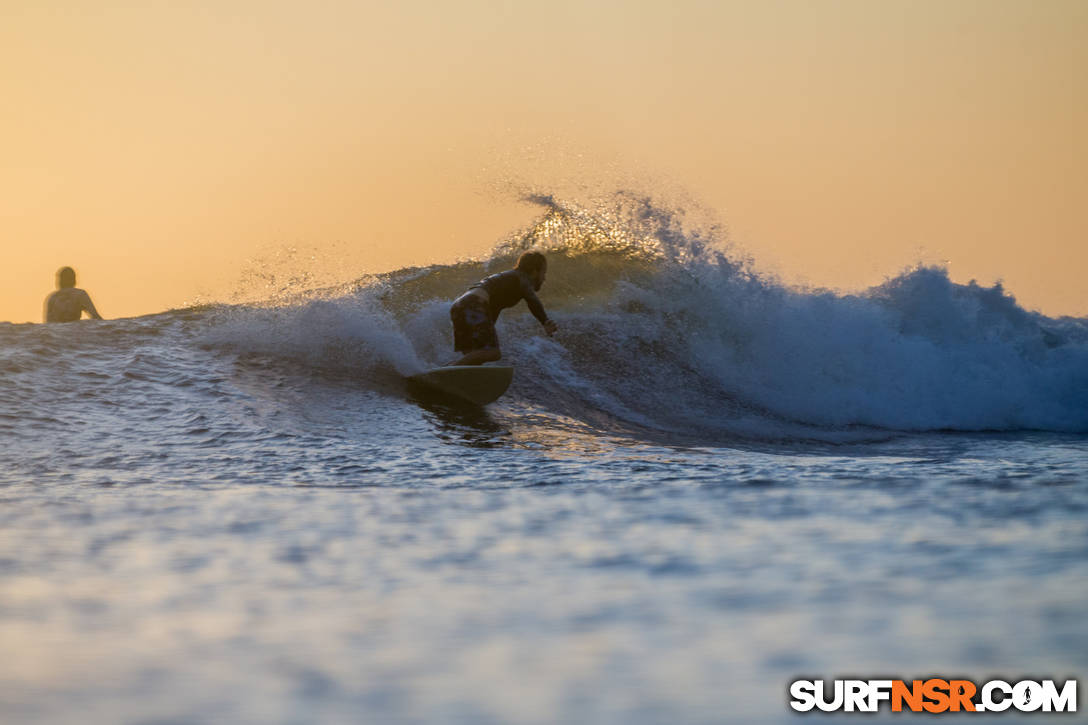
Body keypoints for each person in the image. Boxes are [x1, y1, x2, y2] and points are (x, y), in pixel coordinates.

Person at [448, 251, 558, 365]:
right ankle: (449, 370)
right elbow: (532, 300)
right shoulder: (523, 278)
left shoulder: (508, 281)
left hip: (460, 306)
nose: (544, 278)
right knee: (493, 353)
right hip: (473, 304)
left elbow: (492, 312)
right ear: (534, 272)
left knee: (474, 356)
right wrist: (545, 321)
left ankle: (446, 374)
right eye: (543, 273)